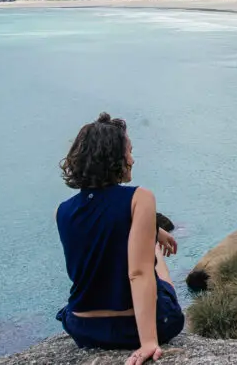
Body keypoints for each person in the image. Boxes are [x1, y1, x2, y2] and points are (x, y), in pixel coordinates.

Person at [55, 112, 184, 364]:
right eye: (129, 152)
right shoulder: (140, 198)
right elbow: (138, 273)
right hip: (131, 328)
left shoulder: (62, 211)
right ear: (113, 157)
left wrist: (154, 229)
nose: (133, 160)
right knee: (154, 261)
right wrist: (149, 342)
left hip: (82, 327)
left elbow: (102, 226)